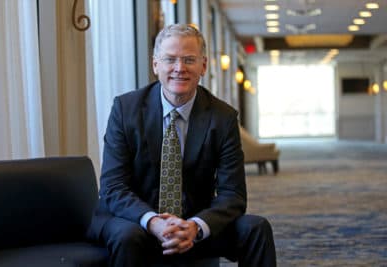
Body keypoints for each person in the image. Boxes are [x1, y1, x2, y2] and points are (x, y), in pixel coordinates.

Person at [87, 23, 276, 267]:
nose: (179, 68)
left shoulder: (222, 117)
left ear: (203, 66)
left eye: (189, 59)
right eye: (170, 59)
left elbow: (233, 194)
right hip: (134, 221)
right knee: (127, 237)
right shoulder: (126, 109)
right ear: (156, 65)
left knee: (256, 228)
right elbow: (113, 187)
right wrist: (154, 221)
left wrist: (196, 226)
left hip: (192, 223)